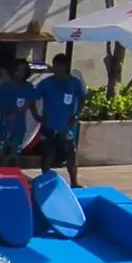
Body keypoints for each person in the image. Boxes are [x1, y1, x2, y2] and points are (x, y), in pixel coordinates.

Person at [32, 53, 88, 187]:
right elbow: (32, 98)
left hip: (66, 126)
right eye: (55, 65)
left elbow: (83, 98)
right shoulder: (46, 83)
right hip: (49, 125)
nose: (56, 69)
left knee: (70, 156)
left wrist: (76, 115)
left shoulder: (74, 82)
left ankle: (74, 182)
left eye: (60, 66)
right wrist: (37, 116)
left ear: (65, 67)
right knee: (47, 155)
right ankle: (46, 180)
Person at [0, 57, 41, 167]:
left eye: (23, 71)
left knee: (14, 156)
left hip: (18, 128)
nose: (20, 73)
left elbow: (30, 104)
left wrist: (38, 118)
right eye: (18, 70)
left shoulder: (28, 87)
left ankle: (14, 178)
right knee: (2, 156)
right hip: (4, 126)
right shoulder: (4, 87)